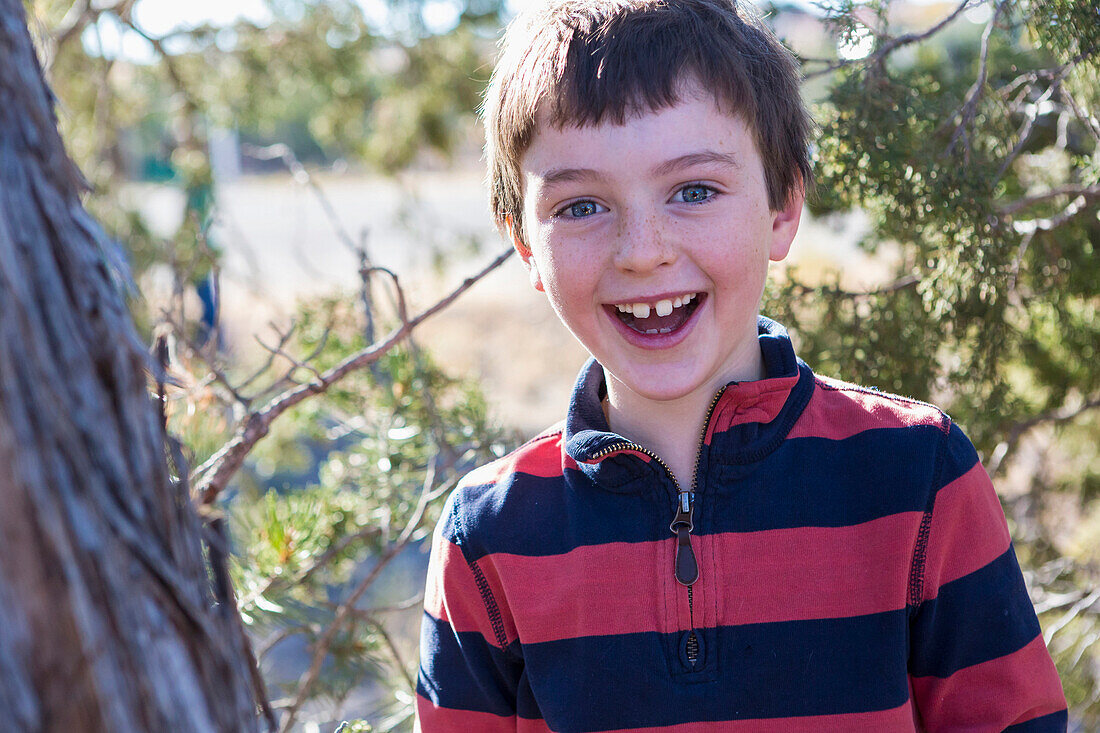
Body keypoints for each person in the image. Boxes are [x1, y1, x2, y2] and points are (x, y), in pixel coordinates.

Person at [415, 0, 1068, 729]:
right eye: (580, 206)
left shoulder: (917, 477)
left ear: (784, 204)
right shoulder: (489, 537)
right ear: (525, 243)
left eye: (694, 190)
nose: (643, 249)